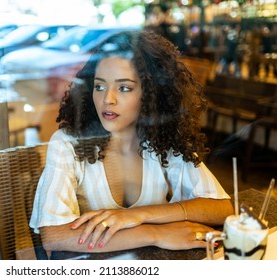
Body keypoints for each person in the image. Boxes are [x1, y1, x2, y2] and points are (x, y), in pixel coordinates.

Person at [29, 30, 233, 257]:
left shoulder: (162, 140)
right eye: (99, 86)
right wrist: (156, 233)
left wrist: (140, 214)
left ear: (151, 94)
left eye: (124, 88)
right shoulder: (68, 143)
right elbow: (54, 235)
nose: (108, 99)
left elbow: (222, 208)